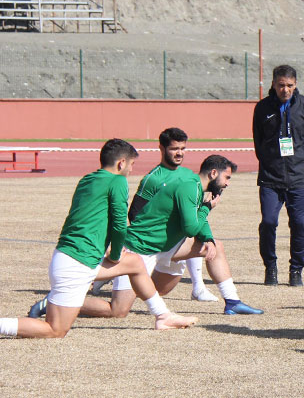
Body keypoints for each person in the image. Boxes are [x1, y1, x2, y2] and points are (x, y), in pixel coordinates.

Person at [2, 139, 196, 339]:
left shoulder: (87, 179)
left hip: (72, 257)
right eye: (131, 164)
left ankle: (163, 316)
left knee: (135, 263)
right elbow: (119, 224)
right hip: (77, 263)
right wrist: (116, 253)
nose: (131, 170)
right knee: (55, 330)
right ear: (121, 163)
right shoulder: (117, 181)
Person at [88, 155, 263, 318]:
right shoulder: (189, 187)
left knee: (214, 247)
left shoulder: (196, 187)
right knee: (118, 311)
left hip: (166, 246)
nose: (227, 184)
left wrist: (208, 238)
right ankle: (71, 300)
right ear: (213, 173)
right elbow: (191, 229)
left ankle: (233, 302)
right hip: (141, 248)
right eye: (227, 178)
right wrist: (207, 208)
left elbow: (198, 220)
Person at [91, 127, 217, 302]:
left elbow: (195, 215)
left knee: (200, 240)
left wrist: (207, 236)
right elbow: (134, 213)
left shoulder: (189, 175)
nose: (179, 153)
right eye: (174, 149)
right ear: (162, 149)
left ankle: (199, 287)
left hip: (173, 239)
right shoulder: (153, 179)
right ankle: (107, 274)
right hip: (149, 243)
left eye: (183, 148)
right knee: (123, 306)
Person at [253, 64, 304, 287]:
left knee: (299, 224)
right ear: (274, 84)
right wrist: (270, 161)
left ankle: (296, 270)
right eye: (281, 85)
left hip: (298, 177)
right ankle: (270, 267)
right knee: (268, 222)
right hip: (270, 178)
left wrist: (301, 160)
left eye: (290, 85)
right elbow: (258, 141)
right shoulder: (262, 108)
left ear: (296, 84)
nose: (285, 90)